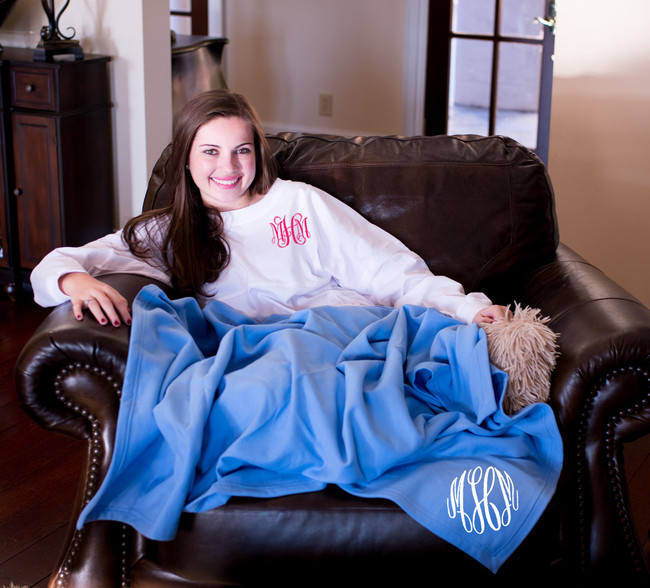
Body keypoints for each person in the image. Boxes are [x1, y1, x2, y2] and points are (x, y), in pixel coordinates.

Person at [30, 89, 507, 327]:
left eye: (241, 149)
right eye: (210, 151)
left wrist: (461, 307)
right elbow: (59, 263)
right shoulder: (169, 231)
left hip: (337, 332)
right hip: (253, 349)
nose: (229, 166)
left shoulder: (299, 203)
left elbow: (387, 270)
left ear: (257, 152)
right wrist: (78, 280)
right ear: (187, 161)